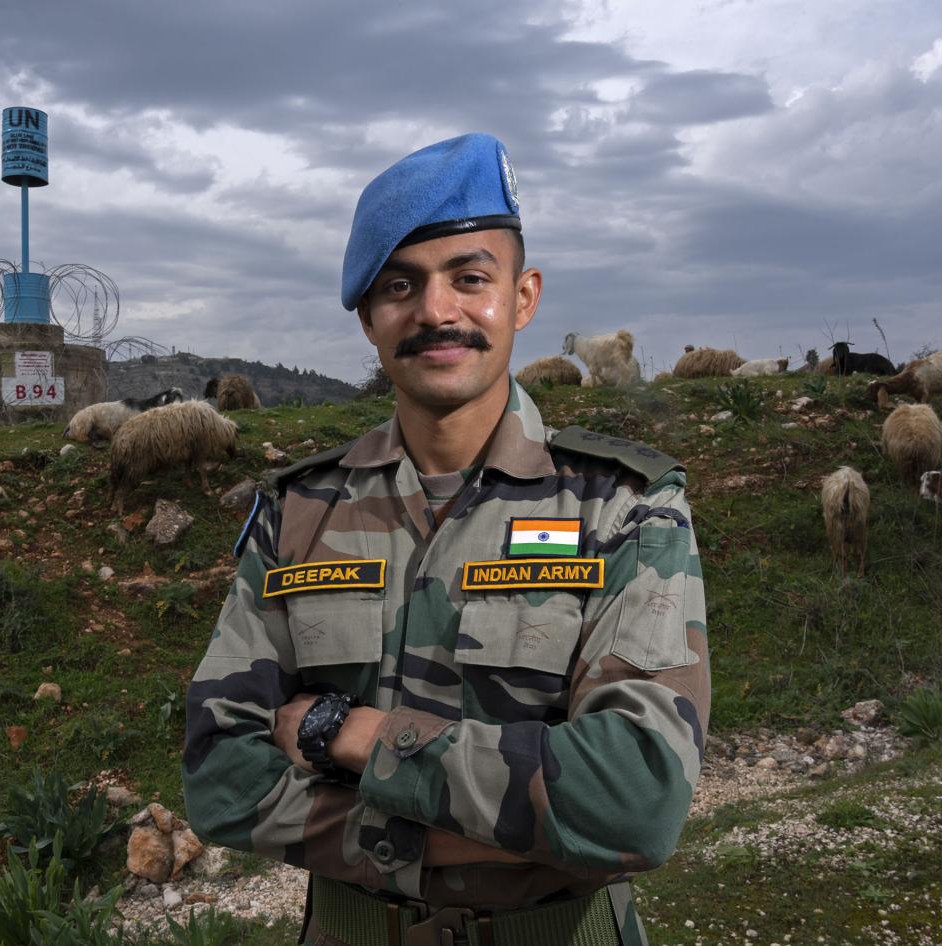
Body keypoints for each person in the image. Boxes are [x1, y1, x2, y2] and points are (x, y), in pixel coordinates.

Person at [183, 133, 709, 946]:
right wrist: (513, 832)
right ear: (368, 317)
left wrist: (352, 737)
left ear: (523, 298)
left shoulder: (622, 508)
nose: (435, 312)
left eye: (469, 278)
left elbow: (634, 799)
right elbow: (219, 776)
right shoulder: (301, 512)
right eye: (400, 286)